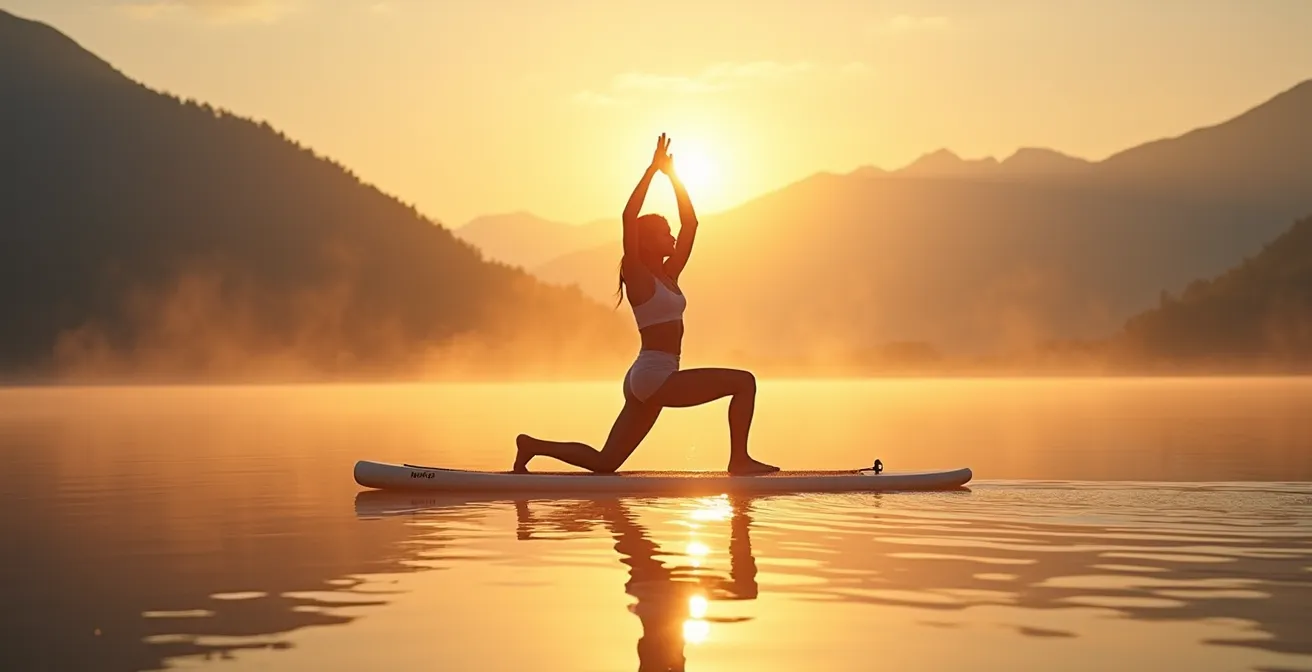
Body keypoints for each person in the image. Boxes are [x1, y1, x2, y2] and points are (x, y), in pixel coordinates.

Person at [514, 133, 778, 475]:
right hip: (655, 377)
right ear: (647, 242)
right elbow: (628, 217)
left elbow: (691, 224)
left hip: (649, 377)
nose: (672, 236)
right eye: (664, 232)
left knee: (605, 463)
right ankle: (739, 460)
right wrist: (652, 170)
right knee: (744, 382)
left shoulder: (669, 274)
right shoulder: (638, 276)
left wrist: (673, 176)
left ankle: (531, 446)